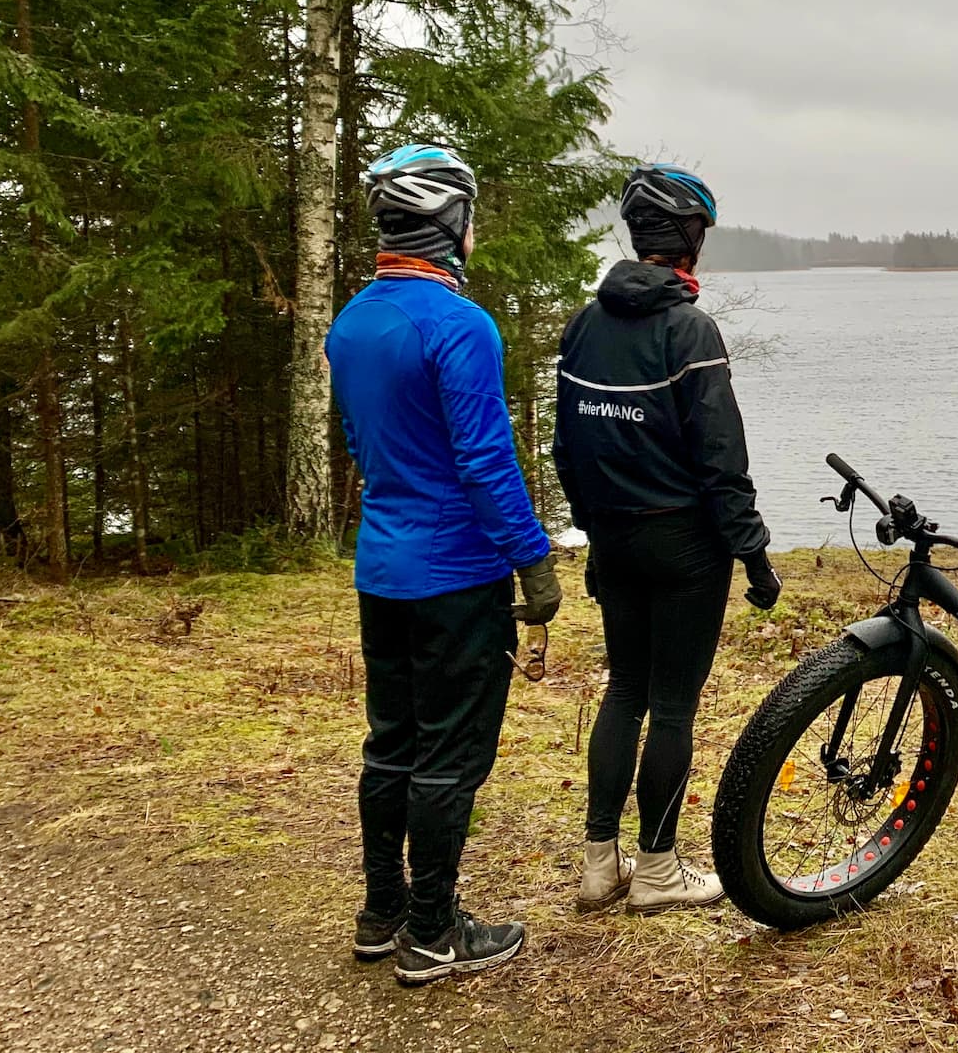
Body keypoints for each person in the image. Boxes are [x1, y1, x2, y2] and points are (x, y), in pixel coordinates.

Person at [326, 142, 563, 986]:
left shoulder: (351, 320)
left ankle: (381, 910)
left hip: (380, 567)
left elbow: (361, 444)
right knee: (449, 758)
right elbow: (485, 460)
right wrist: (533, 561)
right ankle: (432, 934)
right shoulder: (461, 325)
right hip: (457, 575)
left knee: (389, 742)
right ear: (450, 223)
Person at [552, 163, 781, 915]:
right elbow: (722, 457)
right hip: (683, 546)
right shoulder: (690, 330)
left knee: (624, 689)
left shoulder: (584, 326)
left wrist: (592, 530)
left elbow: (566, 448)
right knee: (673, 708)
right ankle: (656, 871)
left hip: (612, 540)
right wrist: (752, 553)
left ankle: (598, 865)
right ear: (690, 240)